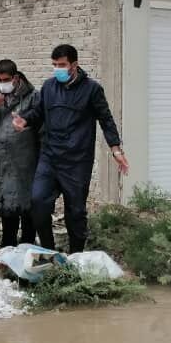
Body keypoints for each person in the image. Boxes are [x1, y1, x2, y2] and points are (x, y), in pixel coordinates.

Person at [13, 44, 128, 253]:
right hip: (50, 157)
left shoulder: (92, 89)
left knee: (75, 212)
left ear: (74, 65)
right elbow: (37, 112)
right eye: (55, 65)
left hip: (77, 161)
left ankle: (76, 258)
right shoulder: (48, 87)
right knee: (37, 202)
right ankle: (49, 252)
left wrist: (115, 148)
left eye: (62, 65)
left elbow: (106, 119)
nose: (58, 69)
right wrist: (25, 121)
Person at [0, 60, 39, 248]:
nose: (2, 83)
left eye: (6, 79)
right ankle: (8, 246)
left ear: (16, 78)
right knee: (7, 207)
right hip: (3, 161)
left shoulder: (33, 96)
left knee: (28, 206)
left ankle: (28, 245)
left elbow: (40, 121)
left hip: (26, 159)